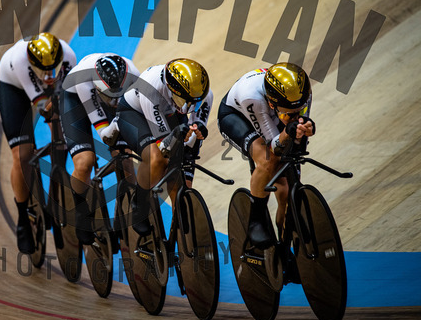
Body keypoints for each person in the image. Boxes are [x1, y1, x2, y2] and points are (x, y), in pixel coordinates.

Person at [217, 62, 315, 249]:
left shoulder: (303, 93)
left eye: (299, 111)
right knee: (268, 161)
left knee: (286, 188)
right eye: (288, 114)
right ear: (272, 103)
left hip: (271, 114)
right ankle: (256, 219)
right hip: (237, 115)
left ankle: (286, 240)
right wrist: (288, 132)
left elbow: (298, 134)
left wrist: (303, 130)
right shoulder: (252, 96)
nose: (295, 116)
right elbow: (274, 147)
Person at [0, 32, 76, 254]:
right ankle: (23, 217)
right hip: (14, 88)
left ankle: (55, 186)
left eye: (53, 69)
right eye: (44, 70)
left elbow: (68, 100)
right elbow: (44, 108)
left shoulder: (69, 56)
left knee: (62, 133)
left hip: (43, 88)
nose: (49, 75)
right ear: (33, 63)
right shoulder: (20, 60)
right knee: (22, 155)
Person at [116, 58, 213, 236]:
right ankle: (139, 204)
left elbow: (192, 145)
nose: (189, 108)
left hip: (168, 112)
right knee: (157, 160)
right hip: (135, 114)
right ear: (170, 88)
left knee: (181, 178)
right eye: (183, 101)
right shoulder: (151, 86)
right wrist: (176, 136)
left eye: (194, 104)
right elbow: (164, 148)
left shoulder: (204, 96)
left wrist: (197, 133)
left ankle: (179, 240)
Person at [60, 53, 140, 245]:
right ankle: (81, 213)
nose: (114, 102)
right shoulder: (84, 80)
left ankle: (130, 210)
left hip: (111, 96)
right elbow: (105, 134)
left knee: (126, 160)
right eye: (111, 97)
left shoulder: (133, 75)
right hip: (75, 100)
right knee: (85, 162)